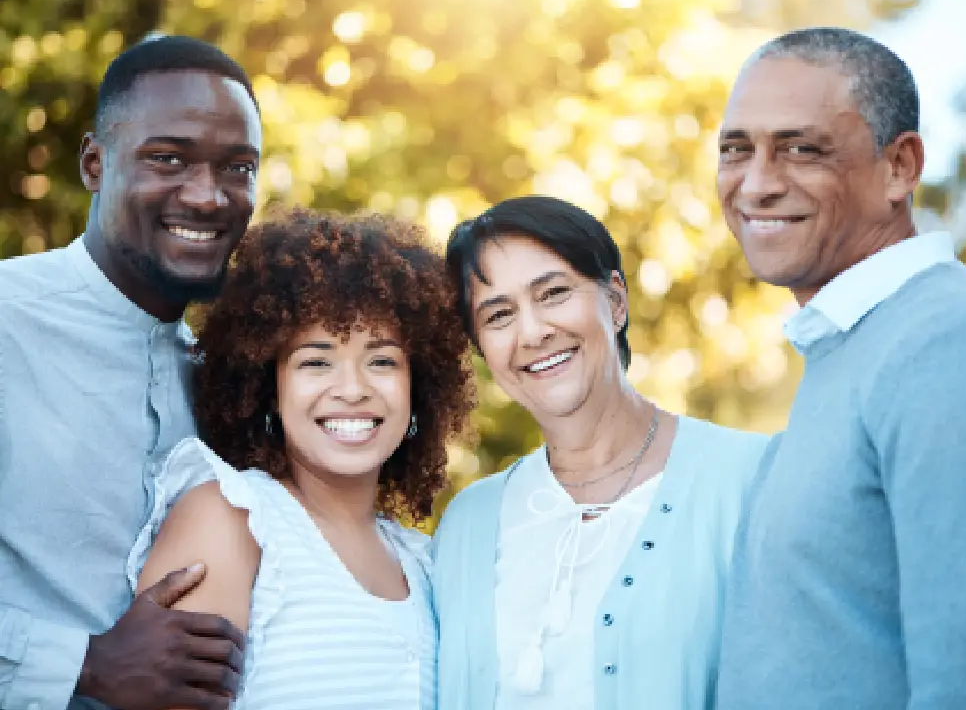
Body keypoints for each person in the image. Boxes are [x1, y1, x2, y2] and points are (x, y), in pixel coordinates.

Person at [714, 27, 966, 709]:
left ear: (900, 167)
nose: (755, 184)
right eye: (735, 150)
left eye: (800, 149)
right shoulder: (852, 349)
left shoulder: (953, 342)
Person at [0, 36, 262, 709]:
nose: (207, 197)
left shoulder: (230, 379)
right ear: (95, 162)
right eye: (167, 158)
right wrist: (81, 666)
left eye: (237, 168)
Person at [432, 195, 770, 709]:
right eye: (498, 315)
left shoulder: (750, 480)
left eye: (553, 293)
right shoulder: (466, 525)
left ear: (615, 301)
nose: (533, 332)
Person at [134, 208, 475, 709]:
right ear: (267, 388)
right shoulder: (233, 518)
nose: (353, 389)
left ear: (417, 387)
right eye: (316, 361)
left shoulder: (424, 564)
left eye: (381, 361)